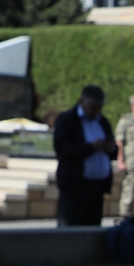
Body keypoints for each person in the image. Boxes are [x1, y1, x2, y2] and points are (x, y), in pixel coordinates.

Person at [53, 85, 118, 226]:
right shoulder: (67, 120)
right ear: (82, 102)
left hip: (96, 188)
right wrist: (91, 148)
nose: (96, 112)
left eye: (100, 108)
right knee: (71, 233)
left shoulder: (103, 121)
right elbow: (62, 148)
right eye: (93, 107)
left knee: (92, 232)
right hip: (74, 187)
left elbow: (112, 150)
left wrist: (111, 148)